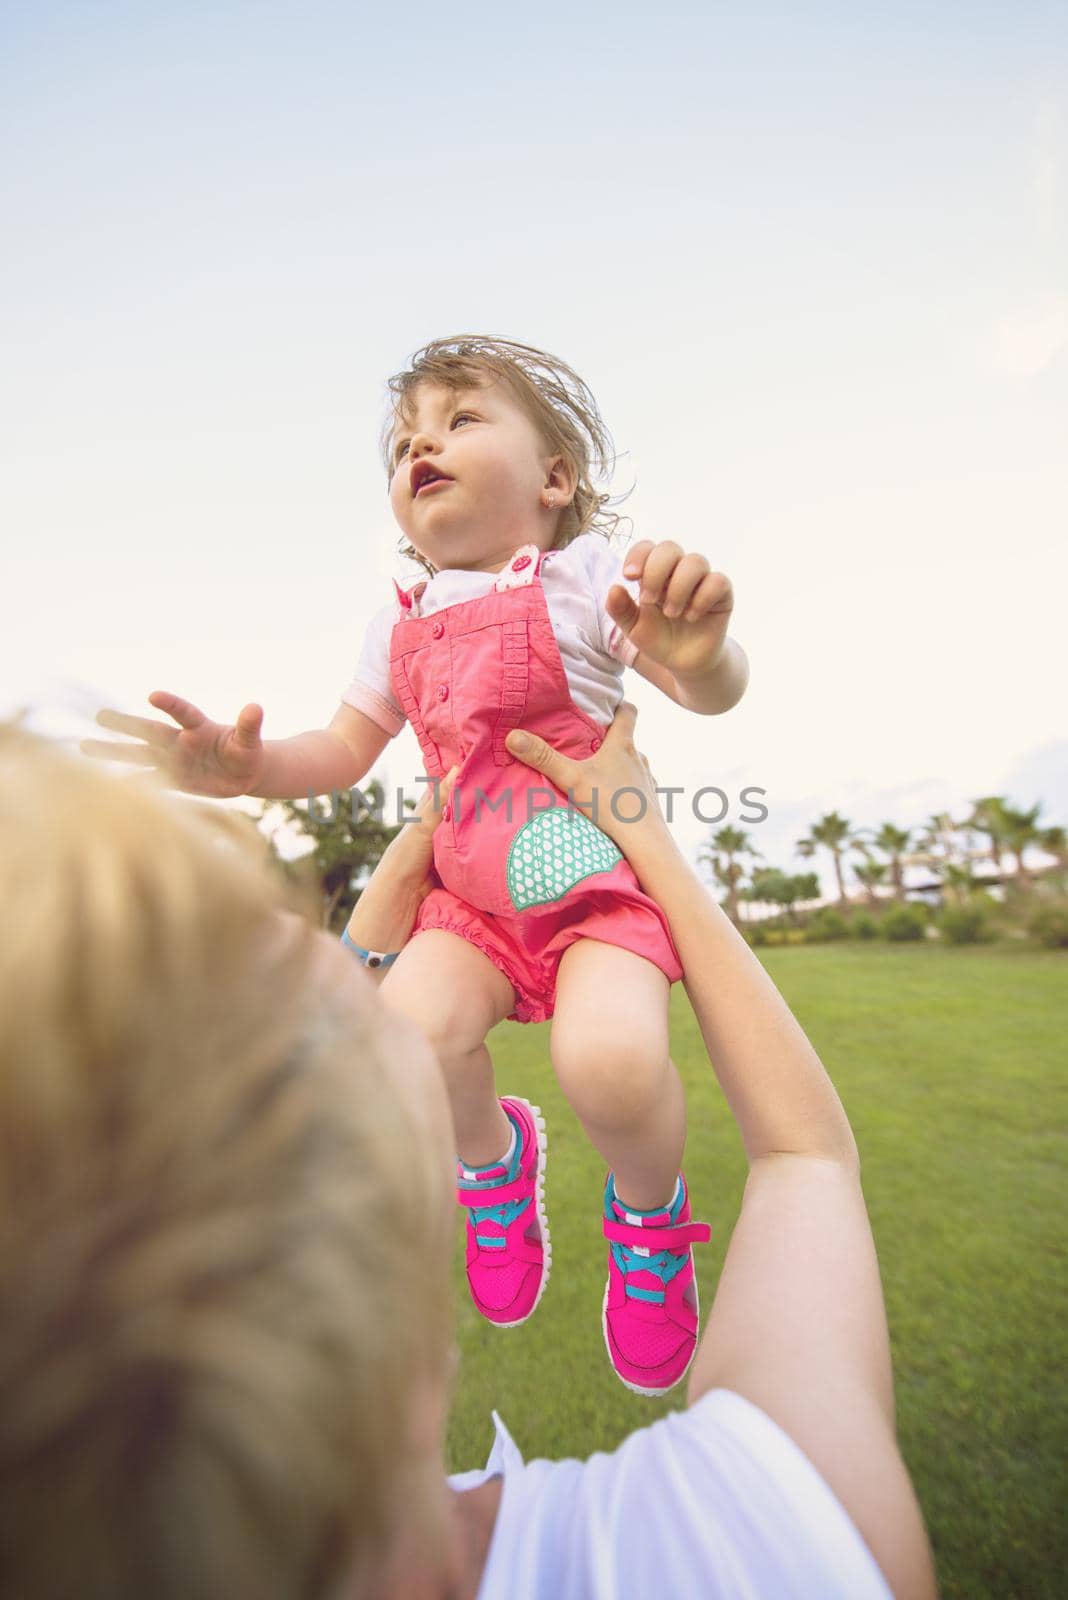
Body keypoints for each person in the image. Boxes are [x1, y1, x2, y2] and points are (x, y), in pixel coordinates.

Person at [1, 712, 938, 1599]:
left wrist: (405, 865)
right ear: (365, 1214)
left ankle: (506, 1164)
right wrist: (646, 837)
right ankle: (632, 1213)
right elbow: (802, 1154)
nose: (347, 954)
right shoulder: (752, 1548)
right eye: (296, 966)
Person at [83, 334, 751, 1395]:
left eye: (459, 422)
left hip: (594, 893)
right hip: (469, 908)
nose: (420, 448)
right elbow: (342, 751)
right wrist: (248, 771)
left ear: (554, 479)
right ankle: (495, 1166)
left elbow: (706, 690)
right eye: (404, 442)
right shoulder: (396, 626)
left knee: (612, 1064)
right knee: (411, 1041)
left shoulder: (584, 580)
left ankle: (649, 1224)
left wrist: (701, 654)